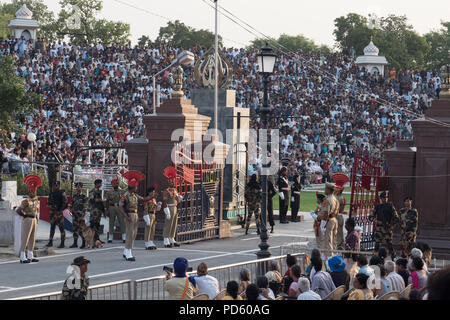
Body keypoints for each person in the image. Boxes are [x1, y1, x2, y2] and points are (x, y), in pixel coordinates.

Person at [119, 170, 149, 261]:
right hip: (129, 215)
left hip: (135, 215)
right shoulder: (125, 195)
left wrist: (152, 197)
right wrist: (126, 216)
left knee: (134, 234)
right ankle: (128, 252)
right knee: (130, 234)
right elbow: (120, 207)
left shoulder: (135, 195)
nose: (137, 188)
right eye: (136, 186)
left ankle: (126, 251)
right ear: (132, 186)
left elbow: (143, 199)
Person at [16, 174, 42, 263]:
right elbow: (18, 210)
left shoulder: (36, 200)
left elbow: (37, 210)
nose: (33, 192)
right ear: (28, 192)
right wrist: (24, 215)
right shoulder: (26, 201)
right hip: (27, 219)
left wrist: (37, 219)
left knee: (32, 238)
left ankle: (30, 255)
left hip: (34, 219)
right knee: (25, 238)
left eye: (34, 191)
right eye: (31, 191)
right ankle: (22, 256)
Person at [370, 191, 399, 259]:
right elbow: (370, 217)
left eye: (386, 197)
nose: (385, 199)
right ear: (380, 198)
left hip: (387, 229)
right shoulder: (377, 206)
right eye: (383, 198)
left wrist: (392, 227)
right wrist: (377, 221)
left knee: (389, 245)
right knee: (377, 244)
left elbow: (396, 218)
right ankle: (375, 258)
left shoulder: (390, 206)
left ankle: (393, 258)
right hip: (379, 229)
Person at [162, 167, 183, 248]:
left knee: (174, 223)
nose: (173, 183)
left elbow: (176, 199)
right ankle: (166, 239)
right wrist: (166, 210)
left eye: (173, 181)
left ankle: (172, 238)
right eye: (171, 182)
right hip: (169, 208)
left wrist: (179, 199)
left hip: (174, 207)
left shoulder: (174, 190)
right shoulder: (166, 191)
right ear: (168, 182)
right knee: (168, 224)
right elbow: (165, 201)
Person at [318, 182, 340, 255]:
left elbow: (326, 213)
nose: (324, 190)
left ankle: (329, 258)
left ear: (329, 190)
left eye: (325, 189)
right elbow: (337, 211)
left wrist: (323, 222)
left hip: (328, 221)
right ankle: (334, 255)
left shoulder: (327, 200)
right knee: (334, 241)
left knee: (328, 241)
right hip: (334, 220)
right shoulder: (335, 198)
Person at [46, 181, 68, 248]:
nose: (55, 186)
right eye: (54, 185)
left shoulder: (62, 193)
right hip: (53, 213)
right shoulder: (51, 194)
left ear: (58, 186)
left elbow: (65, 203)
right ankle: (50, 242)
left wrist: (60, 210)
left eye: (56, 185)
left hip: (59, 213)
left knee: (61, 228)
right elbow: (48, 203)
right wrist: (49, 206)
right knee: (52, 227)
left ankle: (62, 243)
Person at [332, 173, 350, 249]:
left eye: (336, 188)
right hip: (337, 215)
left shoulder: (338, 197)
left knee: (338, 231)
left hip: (337, 216)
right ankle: (338, 242)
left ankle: (338, 243)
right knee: (337, 231)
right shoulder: (337, 196)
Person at [105, 177, 126, 243]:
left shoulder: (122, 191)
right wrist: (107, 210)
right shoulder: (109, 192)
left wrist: (124, 209)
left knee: (122, 222)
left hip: (119, 207)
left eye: (116, 183)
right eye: (113, 183)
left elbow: (124, 201)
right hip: (112, 207)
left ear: (118, 184)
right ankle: (110, 237)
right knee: (111, 222)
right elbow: (107, 201)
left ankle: (124, 237)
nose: (115, 184)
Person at [70, 182, 88, 248]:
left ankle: (84, 243)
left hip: (81, 216)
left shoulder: (84, 197)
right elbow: (71, 205)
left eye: (79, 187)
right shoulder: (74, 196)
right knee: (75, 230)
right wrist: (71, 210)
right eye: (77, 187)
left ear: (81, 188)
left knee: (81, 230)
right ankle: (75, 243)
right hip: (74, 216)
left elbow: (85, 207)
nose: (78, 188)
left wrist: (82, 215)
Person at [143, 185, 160, 250]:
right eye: (152, 192)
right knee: (148, 229)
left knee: (152, 229)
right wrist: (146, 216)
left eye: (154, 191)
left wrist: (158, 207)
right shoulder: (147, 199)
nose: (154, 193)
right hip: (149, 214)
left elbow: (155, 208)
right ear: (149, 192)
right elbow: (146, 208)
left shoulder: (154, 199)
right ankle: (147, 242)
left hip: (153, 214)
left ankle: (151, 241)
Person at [88, 179, 105, 245]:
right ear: (97, 184)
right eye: (100, 183)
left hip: (98, 211)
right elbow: (91, 200)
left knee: (97, 225)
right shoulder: (93, 191)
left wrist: (103, 210)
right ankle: (91, 239)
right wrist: (99, 200)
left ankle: (97, 239)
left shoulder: (98, 191)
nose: (101, 185)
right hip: (94, 211)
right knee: (93, 225)